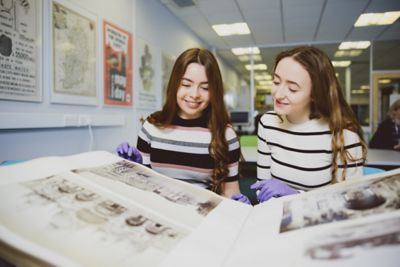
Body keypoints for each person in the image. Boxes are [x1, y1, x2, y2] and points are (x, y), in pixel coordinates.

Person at [233, 46, 367, 204]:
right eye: (276, 82)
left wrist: (296, 195)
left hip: (318, 225)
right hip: (277, 218)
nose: (278, 94)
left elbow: (350, 203)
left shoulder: (343, 135)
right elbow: (263, 189)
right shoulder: (268, 123)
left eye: (292, 89)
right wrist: (253, 205)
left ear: (316, 95)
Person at [117, 48, 241, 198]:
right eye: (186, 84)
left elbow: (230, 191)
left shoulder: (226, 135)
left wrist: (238, 205)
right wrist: (134, 167)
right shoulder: (151, 127)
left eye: (205, 88)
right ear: (175, 84)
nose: (194, 94)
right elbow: (142, 183)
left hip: (201, 216)